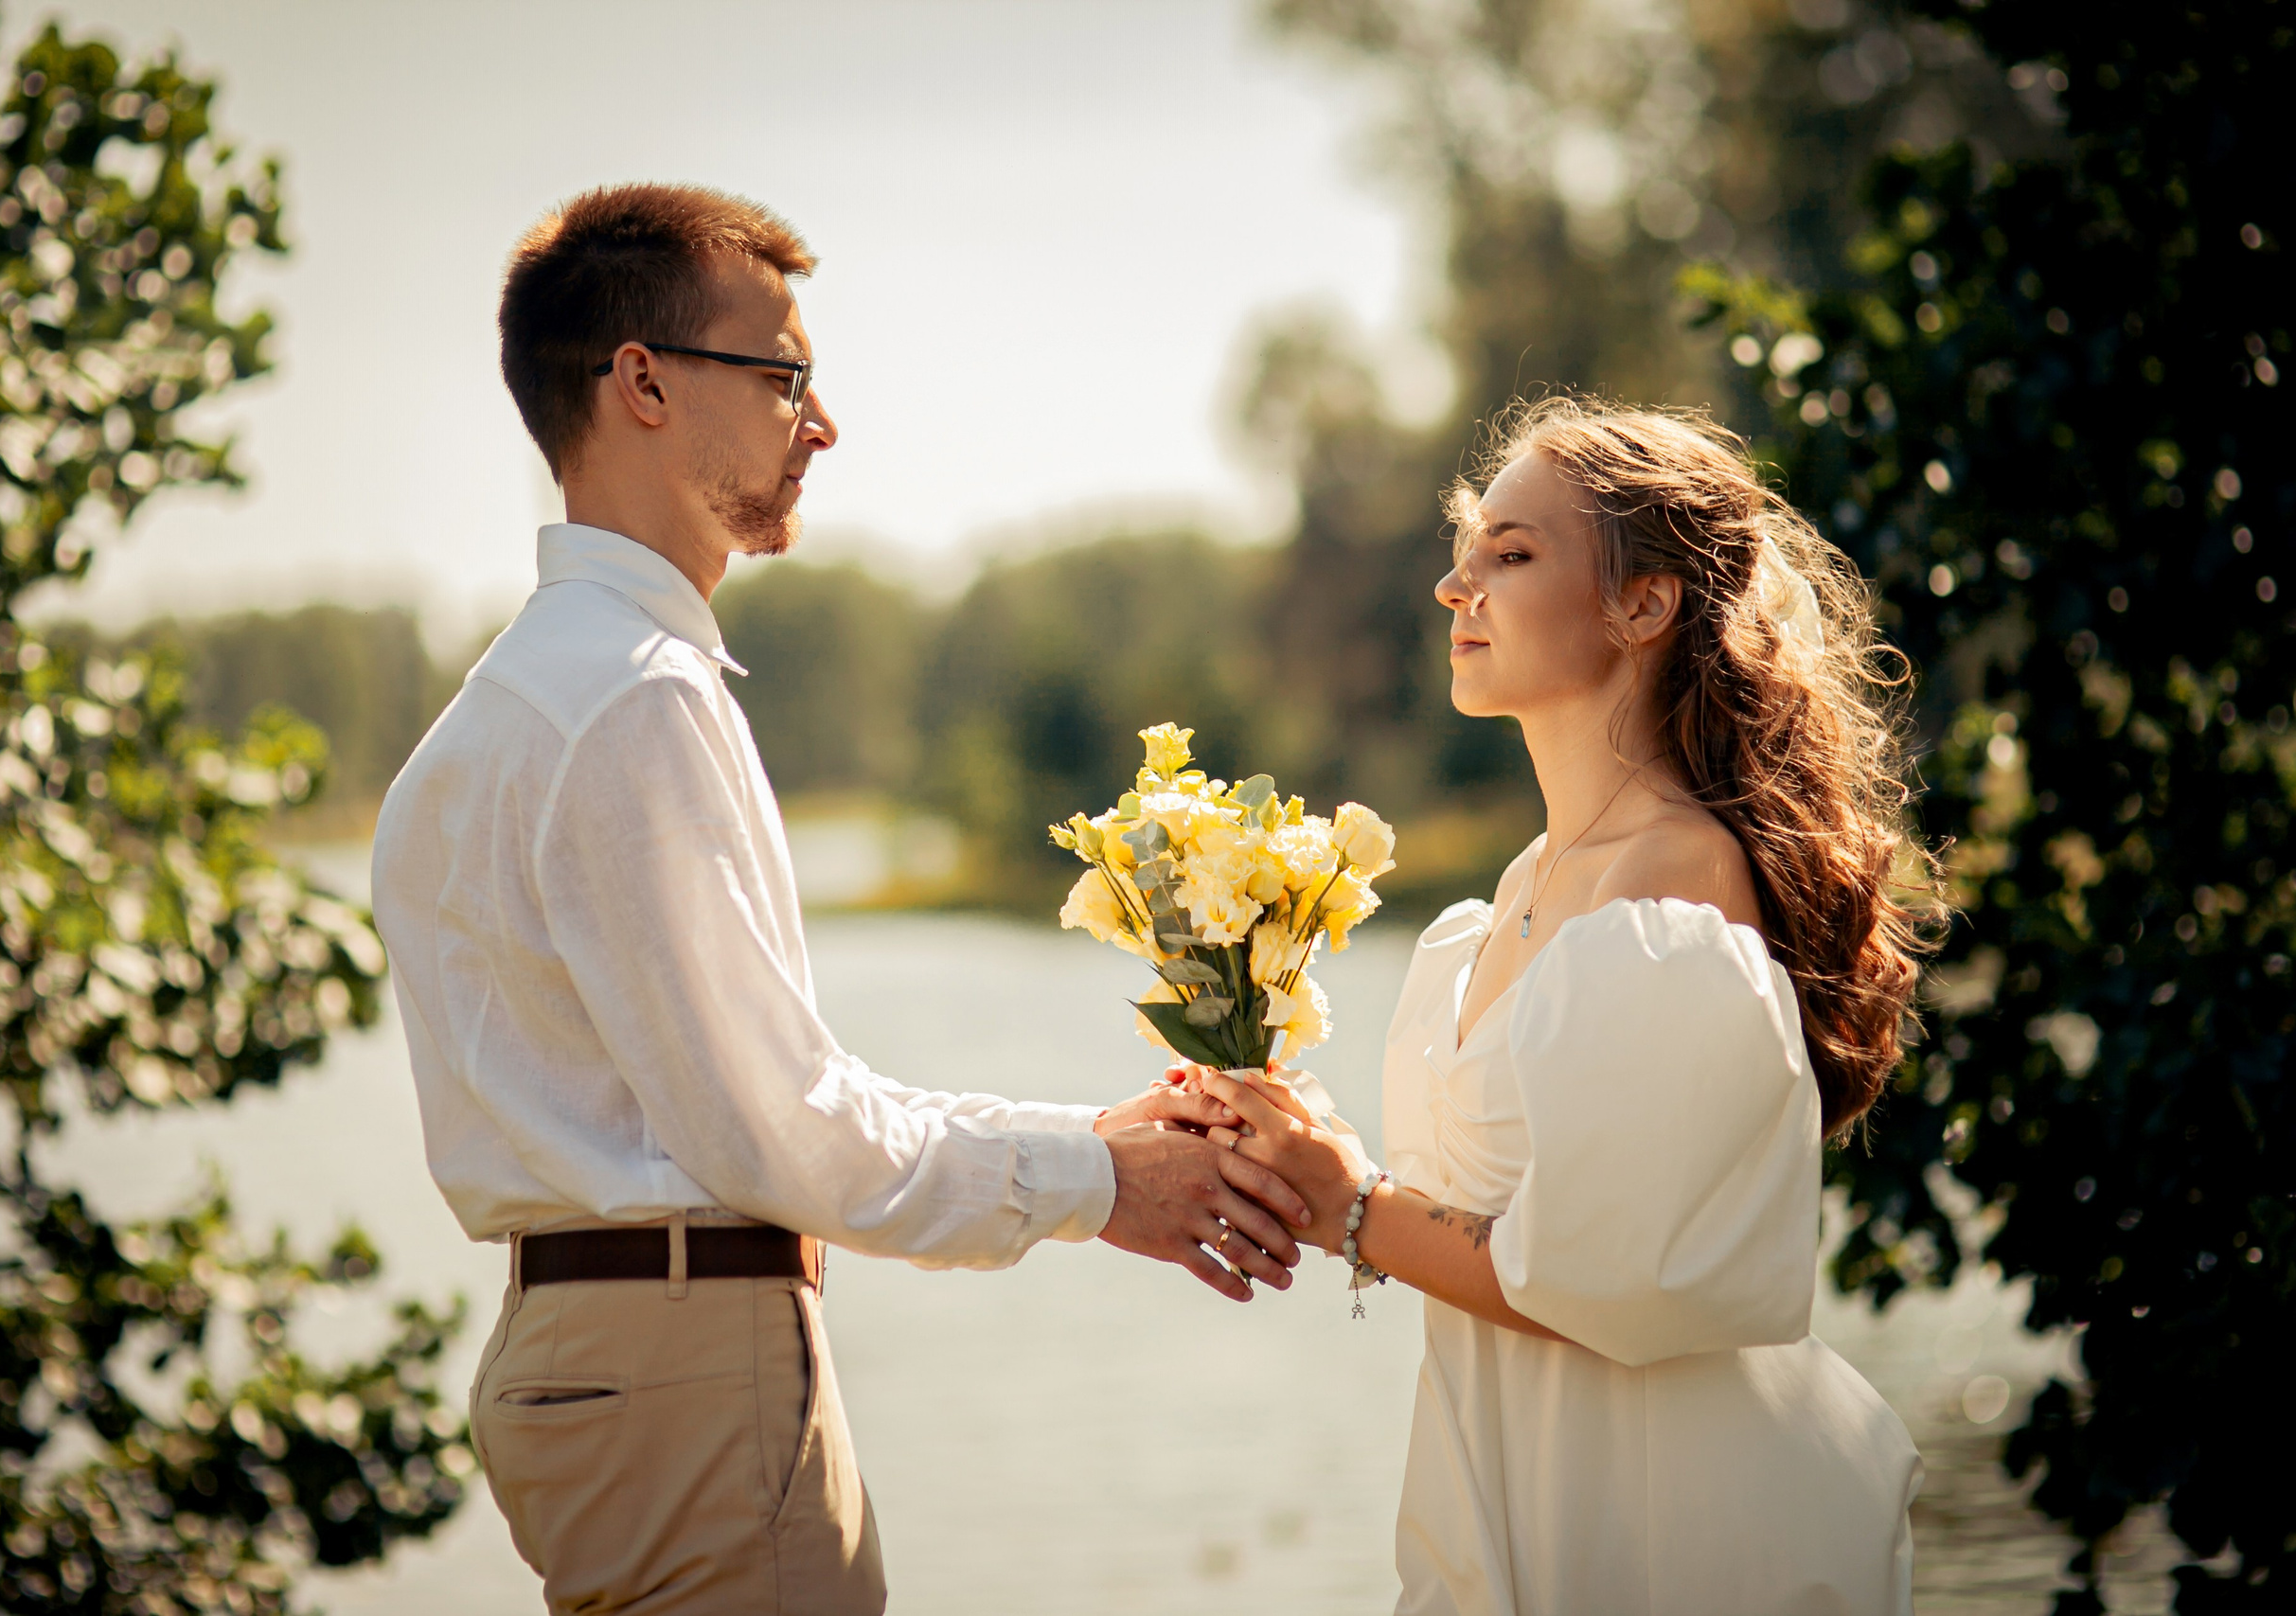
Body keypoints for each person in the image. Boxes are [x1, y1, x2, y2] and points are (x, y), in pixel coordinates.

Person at [369, 183, 1308, 1616]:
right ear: (643, 384)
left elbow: (749, 1105)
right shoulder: (636, 700)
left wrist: (1082, 1144)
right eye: (785, 375)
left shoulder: (489, 718)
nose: (822, 423)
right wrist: (1104, 1176)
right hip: (691, 1371)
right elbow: (785, 1130)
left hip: (581, 1357)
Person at [1194, 397, 1936, 1615]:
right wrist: (1298, 1150)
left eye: (1511, 552)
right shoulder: (1526, 887)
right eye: (1465, 546)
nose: (1454, 586)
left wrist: (1354, 1203)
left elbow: (1611, 1281)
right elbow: (1502, 1209)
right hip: (1512, 1488)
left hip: (1667, 1518)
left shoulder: (1674, 885)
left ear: (1643, 604)